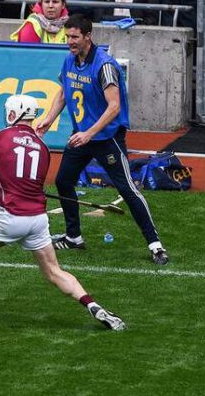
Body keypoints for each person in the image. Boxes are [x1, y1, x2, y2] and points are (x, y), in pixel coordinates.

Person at [0, 95, 126, 332]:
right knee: (53, 271)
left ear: (13, 114)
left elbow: (3, 167)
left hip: (10, 216)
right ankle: (93, 305)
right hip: (38, 219)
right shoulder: (43, 147)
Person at [35, 14, 169, 265]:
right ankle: (73, 236)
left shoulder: (105, 66)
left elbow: (114, 107)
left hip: (106, 138)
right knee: (64, 181)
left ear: (88, 36)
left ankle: (155, 244)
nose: (70, 42)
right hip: (81, 137)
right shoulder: (69, 60)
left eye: (74, 37)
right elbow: (63, 93)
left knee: (127, 189)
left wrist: (89, 133)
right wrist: (49, 118)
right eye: (67, 37)